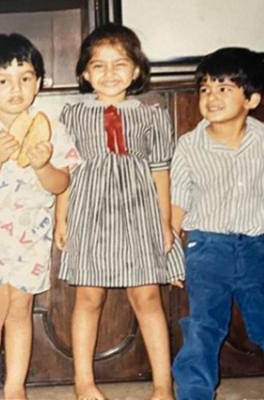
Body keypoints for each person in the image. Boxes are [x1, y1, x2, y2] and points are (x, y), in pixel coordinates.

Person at [54, 23, 185, 400]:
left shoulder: (152, 115)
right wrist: (62, 217)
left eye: (120, 64)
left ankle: (162, 384)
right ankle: (83, 382)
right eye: (99, 65)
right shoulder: (72, 115)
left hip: (139, 214)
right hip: (89, 214)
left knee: (147, 297)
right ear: (85, 73)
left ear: (137, 70)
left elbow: (160, 171)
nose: (109, 73)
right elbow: (66, 169)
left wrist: (164, 222)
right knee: (88, 298)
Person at [0, 33, 80, 400]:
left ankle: (15, 387)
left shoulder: (53, 129)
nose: (16, 88)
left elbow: (61, 184)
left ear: (38, 83)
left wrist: (44, 165)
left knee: (20, 309)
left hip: (32, 235)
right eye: (3, 80)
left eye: (25, 78)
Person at [171, 47, 264, 400]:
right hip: (207, 248)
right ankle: (195, 392)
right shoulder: (189, 146)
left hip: (257, 247)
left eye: (224, 88)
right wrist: (171, 255)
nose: (211, 97)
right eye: (205, 88)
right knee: (202, 326)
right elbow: (178, 203)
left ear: (251, 100)